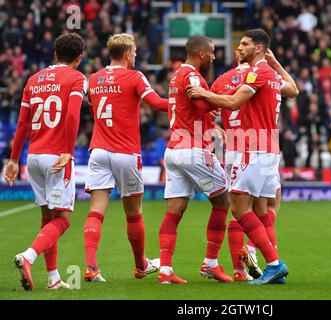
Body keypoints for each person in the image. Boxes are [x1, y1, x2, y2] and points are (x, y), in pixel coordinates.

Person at [187, 29, 299, 284]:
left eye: (245, 44)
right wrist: (277, 63)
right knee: (264, 208)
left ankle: (270, 263)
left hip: (249, 147)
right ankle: (266, 263)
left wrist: (202, 94)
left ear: (258, 48)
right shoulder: (269, 73)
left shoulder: (253, 73)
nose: (240, 47)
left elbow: (233, 102)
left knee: (238, 208)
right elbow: (293, 90)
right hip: (269, 148)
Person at [3, 32, 87, 291]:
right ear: (79, 58)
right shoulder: (76, 78)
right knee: (63, 219)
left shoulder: (33, 80)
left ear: (54, 54)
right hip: (57, 156)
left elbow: (22, 123)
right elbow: (73, 116)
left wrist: (14, 159)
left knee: (47, 217)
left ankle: (53, 279)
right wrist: (68, 150)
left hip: (34, 156)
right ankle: (28, 257)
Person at [83, 33, 168, 282]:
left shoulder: (94, 78)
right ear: (128, 54)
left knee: (96, 210)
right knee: (134, 213)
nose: (136, 57)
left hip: (98, 150)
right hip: (125, 152)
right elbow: (157, 104)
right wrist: (186, 101)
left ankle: (91, 267)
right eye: (135, 53)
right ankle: (141, 266)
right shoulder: (135, 76)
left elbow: (93, 108)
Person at [158, 35, 231, 284]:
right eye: (211, 53)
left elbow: (193, 110)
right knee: (223, 202)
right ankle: (210, 263)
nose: (213, 57)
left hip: (174, 151)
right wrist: (218, 102)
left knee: (174, 211)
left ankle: (165, 270)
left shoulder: (176, 75)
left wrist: (212, 122)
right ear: (201, 53)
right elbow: (200, 106)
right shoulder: (192, 76)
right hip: (194, 150)